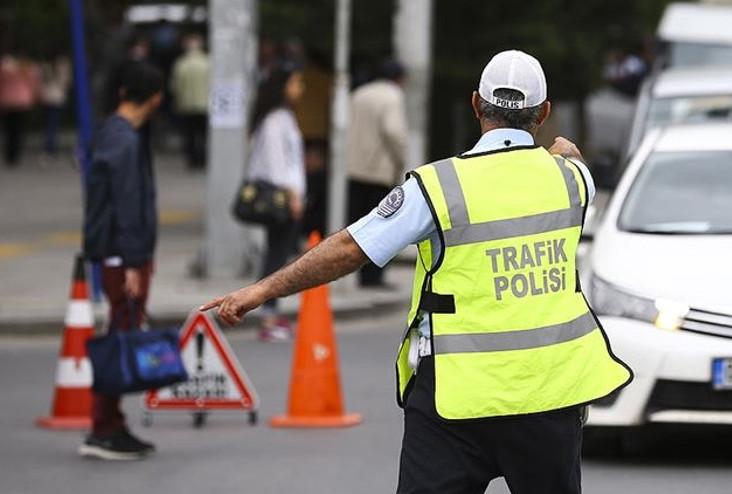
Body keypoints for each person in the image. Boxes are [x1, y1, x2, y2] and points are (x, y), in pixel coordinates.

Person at [202, 50, 633, 493]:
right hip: (548, 395)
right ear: (543, 113)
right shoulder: (573, 180)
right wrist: (564, 152)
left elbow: (350, 248)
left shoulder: (437, 187)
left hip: (454, 398)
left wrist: (263, 290)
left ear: (475, 104)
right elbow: (571, 158)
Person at [81, 62, 164, 461]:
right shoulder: (125, 140)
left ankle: (111, 424)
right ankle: (104, 428)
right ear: (155, 98)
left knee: (121, 331)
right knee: (120, 336)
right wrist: (133, 263)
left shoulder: (112, 133)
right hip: (122, 255)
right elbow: (127, 205)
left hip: (117, 252)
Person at [244, 62, 306, 342]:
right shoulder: (274, 120)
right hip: (282, 197)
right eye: (295, 83)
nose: (300, 88)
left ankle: (271, 312)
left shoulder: (283, 116)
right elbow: (277, 164)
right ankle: (268, 315)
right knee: (276, 256)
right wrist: (292, 196)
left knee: (278, 253)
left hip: (288, 195)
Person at [345, 58, 408, 287]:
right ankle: (373, 277)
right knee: (381, 226)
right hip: (379, 170)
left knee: (358, 225)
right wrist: (400, 159)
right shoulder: (393, 96)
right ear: (399, 78)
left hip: (354, 167)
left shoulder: (359, 94)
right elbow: (393, 130)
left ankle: (358, 273)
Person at [170, 34, 210, 170]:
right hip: (205, 104)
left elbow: (175, 86)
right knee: (203, 134)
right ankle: (202, 158)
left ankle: (192, 159)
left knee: (189, 134)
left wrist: (177, 101)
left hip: (186, 105)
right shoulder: (208, 62)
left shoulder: (181, 64)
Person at [0, 53, 41, 167]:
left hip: (8, 101)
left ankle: (9, 155)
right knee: (18, 130)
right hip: (23, 101)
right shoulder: (30, 68)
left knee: (9, 129)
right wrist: (34, 97)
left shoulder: (5, 67)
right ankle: (16, 154)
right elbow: (34, 85)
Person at [40, 53, 72, 158]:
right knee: (54, 125)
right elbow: (67, 84)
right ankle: (50, 148)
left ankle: (48, 148)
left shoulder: (46, 67)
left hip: (49, 98)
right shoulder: (63, 67)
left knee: (49, 125)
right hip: (58, 98)